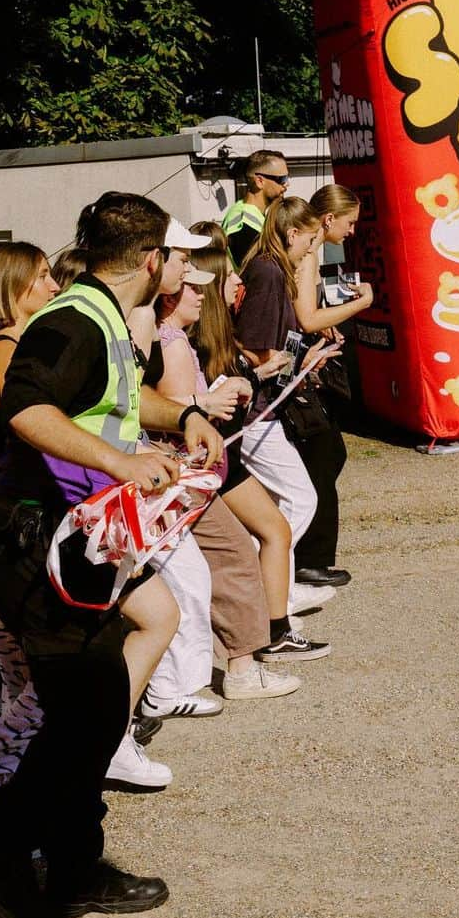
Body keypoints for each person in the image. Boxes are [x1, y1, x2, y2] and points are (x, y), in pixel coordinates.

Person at [0, 194, 222, 918]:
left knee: (95, 703)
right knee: (86, 707)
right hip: (30, 542)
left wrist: (186, 416)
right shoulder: (75, 318)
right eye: (177, 256)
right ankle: (2, 856)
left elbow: (122, 401)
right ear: (151, 261)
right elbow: (26, 407)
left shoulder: (99, 315)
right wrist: (121, 462)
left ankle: (72, 866)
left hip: (65, 542)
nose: (181, 269)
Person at [149, 253, 307, 696]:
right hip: (193, 472)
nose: (200, 293)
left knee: (257, 539)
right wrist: (210, 404)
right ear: (168, 296)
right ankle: (239, 666)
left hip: (203, 469)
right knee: (232, 557)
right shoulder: (172, 342)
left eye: (203, 286)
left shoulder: (180, 338)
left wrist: (238, 385)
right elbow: (182, 419)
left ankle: (257, 645)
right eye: (192, 286)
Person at [188, 229, 331, 667]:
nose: (239, 283)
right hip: (210, 459)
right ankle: (258, 634)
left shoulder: (218, 335)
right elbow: (203, 411)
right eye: (231, 276)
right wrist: (255, 378)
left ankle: (274, 621)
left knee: (272, 529)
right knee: (266, 530)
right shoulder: (190, 343)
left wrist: (283, 368)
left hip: (224, 455)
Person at [235, 198, 339, 631]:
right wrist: (296, 363)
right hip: (258, 409)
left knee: (287, 499)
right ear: (293, 234)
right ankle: (274, 585)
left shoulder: (269, 268)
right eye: (310, 242)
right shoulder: (269, 271)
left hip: (264, 403)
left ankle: (281, 581)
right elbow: (255, 344)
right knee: (300, 499)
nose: (309, 254)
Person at [287, 184, 374, 589]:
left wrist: (331, 318)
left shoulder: (313, 252)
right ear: (328, 220)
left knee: (326, 456)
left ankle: (308, 554)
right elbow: (306, 318)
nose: (352, 231)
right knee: (325, 455)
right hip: (296, 373)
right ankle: (310, 557)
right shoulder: (309, 255)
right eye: (350, 222)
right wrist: (360, 305)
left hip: (304, 363)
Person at [221, 149, 290, 266]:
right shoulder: (243, 222)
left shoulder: (251, 213)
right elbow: (255, 274)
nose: (287, 184)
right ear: (259, 181)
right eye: (282, 179)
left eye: (287, 178)